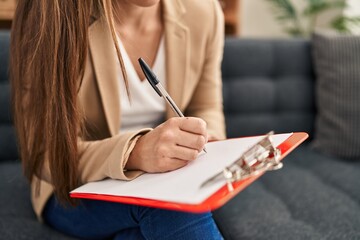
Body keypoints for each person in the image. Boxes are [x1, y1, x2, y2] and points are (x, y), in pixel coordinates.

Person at [10, 0, 226, 239]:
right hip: (74, 187)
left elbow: (206, 106)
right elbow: (45, 156)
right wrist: (135, 153)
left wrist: (208, 140)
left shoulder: (204, 12)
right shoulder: (52, 16)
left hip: (164, 174)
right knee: (169, 205)